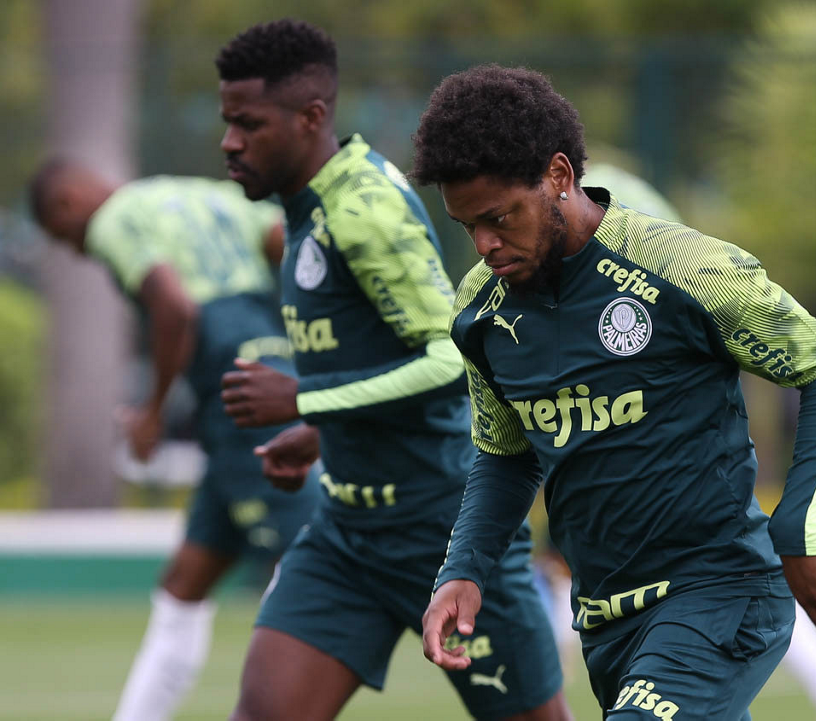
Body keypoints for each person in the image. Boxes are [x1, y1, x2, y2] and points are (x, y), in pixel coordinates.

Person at [413, 64, 816, 720]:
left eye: (499, 217)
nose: (485, 244)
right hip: (606, 622)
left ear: (559, 176)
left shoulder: (683, 268)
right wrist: (463, 569)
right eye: (468, 227)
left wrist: (800, 524)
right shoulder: (480, 313)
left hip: (718, 595)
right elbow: (505, 455)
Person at [214, 20, 568, 720]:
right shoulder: (307, 209)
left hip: (443, 528)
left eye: (248, 124)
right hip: (346, 532)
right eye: (228, 122)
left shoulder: (363, 207)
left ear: (310, 117)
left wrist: (304, 400)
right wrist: (320, 432)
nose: (230, 142)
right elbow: (379, 357)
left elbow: (448, 356)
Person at [585, 159, 816, 720]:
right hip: (630, 567)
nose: (486, 243)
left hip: (706, 563)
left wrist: (800, 528)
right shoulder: (516, 266)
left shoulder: (602, 211)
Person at [29, 162, 320, 721]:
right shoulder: (202, 194)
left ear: (66, 204)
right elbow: (293, 246)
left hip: (241, 399)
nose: (77, 251)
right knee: (183, 585)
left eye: (64, 238)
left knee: (311, 570)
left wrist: (152, 413)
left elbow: (175, 306)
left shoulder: (114, 221)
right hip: (270, 372)